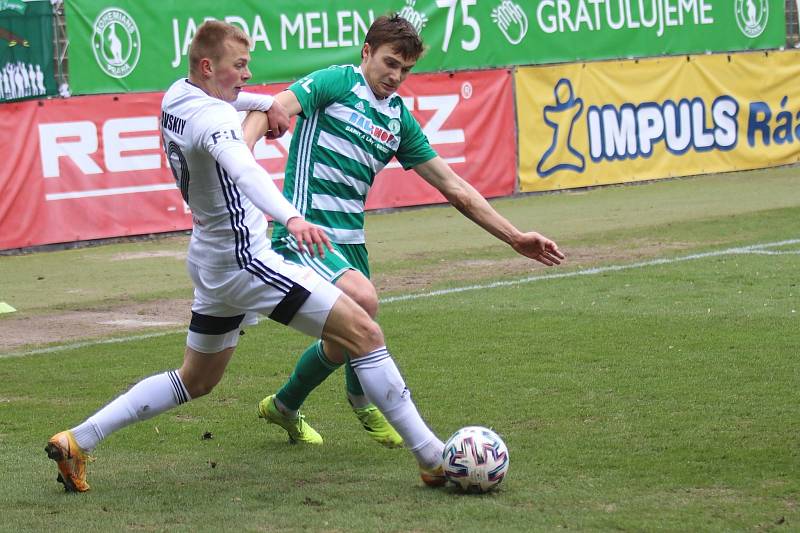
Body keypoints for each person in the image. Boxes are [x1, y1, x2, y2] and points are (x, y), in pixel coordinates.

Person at [44, 20, 447, 493]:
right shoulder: (215, 124)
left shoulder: (178, 95)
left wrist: (266, 104)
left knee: (195, 380)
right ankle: (433, 457)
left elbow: (235, 101)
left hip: (210, 259)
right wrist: (291, 218)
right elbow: (246, 170)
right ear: (209, 65)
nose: (248, 74)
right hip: (245, 260)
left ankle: (77, 440)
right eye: (240, 66)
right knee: (364, 330)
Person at [243, 14, 564, 448]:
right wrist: (240, 159)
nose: (396, 76)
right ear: (366, 53)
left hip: (351, 245)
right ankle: (363, 401)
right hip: (304, 231)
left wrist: (514, 237)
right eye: (390, 63)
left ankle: (283, 406)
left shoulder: (397, 120)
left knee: (348, 337)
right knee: (365, 301)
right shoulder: (336, 82)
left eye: (405, 69)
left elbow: (455, 188)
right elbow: (272, 109)